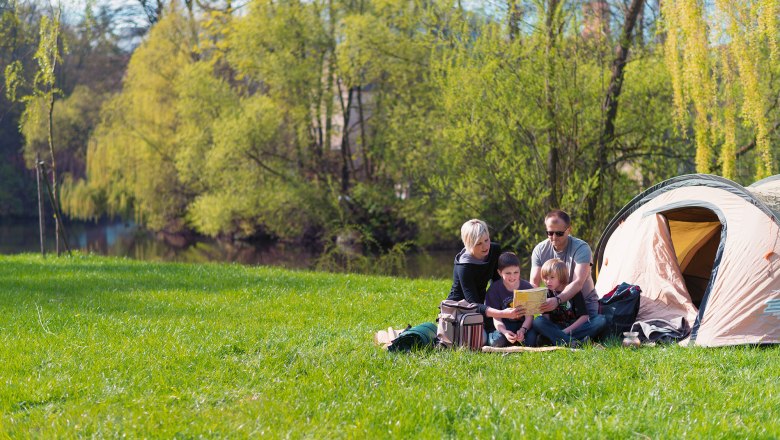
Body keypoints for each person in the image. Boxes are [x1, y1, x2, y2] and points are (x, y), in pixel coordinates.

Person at [445, 219, 523, 338]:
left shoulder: (494, 250)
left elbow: (497, 283)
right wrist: (501, 313)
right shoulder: (464, 266)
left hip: (484, 305)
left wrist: (510, 302)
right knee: (482, 339)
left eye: (486, 240)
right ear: (469, 243)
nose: (485, 246)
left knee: (515, 326)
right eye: (478, 243)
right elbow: (473, 304)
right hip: (461, 309)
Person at [530, 210, 600, 317]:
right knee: (539, 323)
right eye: (550, 233)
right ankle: (564, 333)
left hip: (583, 305)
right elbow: (534, 283)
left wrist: (558, 300)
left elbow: (578, 283)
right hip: (553, 307)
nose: (554, 237)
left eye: (559, 233)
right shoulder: (539, 250)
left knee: (599, 322)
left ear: (569, 230)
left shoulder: (582, 248)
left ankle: (557, 333)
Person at [532, 258, 606, 346]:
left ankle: (559, 340)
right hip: (557, 327)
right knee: (538, 321)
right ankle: (574, 342)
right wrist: (542, 308)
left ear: (561, 276)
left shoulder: (573, 291)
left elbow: (584, 317)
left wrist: (564, 332)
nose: (548, 281)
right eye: (545, 278)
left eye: (552, 277)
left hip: (574, 327)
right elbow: (547, 321)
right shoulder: (546, 293)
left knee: (600, 320)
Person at [485, 252, 537, 347]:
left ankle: (519, 338)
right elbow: (496, 318)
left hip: (523, 324)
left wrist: (522, 330)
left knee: (531, 341)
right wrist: (505, 332)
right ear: (500, 272)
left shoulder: (527, 287)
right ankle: (508, 338)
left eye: (516, 272)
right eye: (508, 273)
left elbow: (529, 316)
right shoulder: (494, 289)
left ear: (519, 271)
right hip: (504, 325)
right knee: (495, 342)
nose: (512, 277)